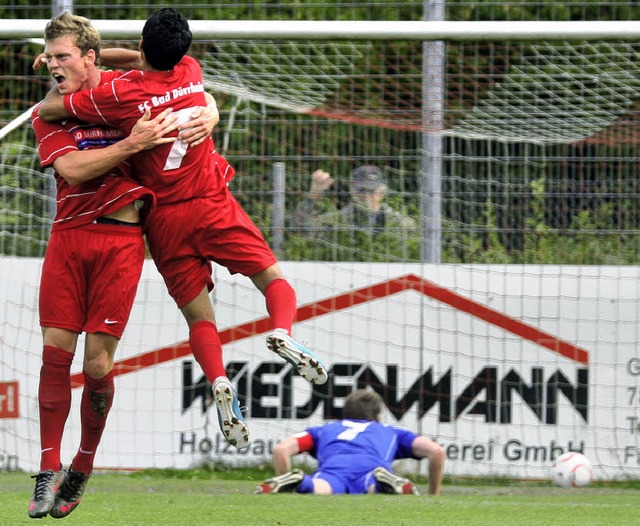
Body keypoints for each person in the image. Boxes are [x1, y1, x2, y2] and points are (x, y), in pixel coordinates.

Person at [38, 8, 328, 453]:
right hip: (212, 201)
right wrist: (207, 108)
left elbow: (54, 107)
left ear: (140, 47)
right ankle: (284, 332)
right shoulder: (192, 72)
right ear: (183, 51)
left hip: (165, 221)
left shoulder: (121, 94)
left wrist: (68, 72)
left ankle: (217, 379)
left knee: (199, 317)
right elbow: (142, 63)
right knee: (271, 277)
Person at [27, 12, 216, 520]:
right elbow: (72, 168)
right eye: (49, 57)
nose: (53, 66)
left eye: (62, 56)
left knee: (96, 367)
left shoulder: (123, 91)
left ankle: (83, 466)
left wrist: (211, 109)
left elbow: (162, 69)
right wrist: (132, 144)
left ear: (89, 57)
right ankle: (48, 468)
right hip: (68, 237)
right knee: (53, 355)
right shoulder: (49, 113)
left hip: (122, 241)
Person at [254, 389, 445, 496]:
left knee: (320, 487)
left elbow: (281, 449)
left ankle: (299, 481)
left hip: (333, 470)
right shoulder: (390, 431)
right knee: (371, 486)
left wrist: (286, 498)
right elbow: (436, 452)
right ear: (378, 416)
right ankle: (382, 483)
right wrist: (433, 496)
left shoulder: (324, 430)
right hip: (371, 470)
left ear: (345, 413)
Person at [293, 165, 416, 238]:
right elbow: (301, 230)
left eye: (370, 190)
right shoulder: (338, 221)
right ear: (352, 191)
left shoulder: (400, 223)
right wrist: (315, 195)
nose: (365, 196)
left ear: (382, 192)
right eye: (361, 190)